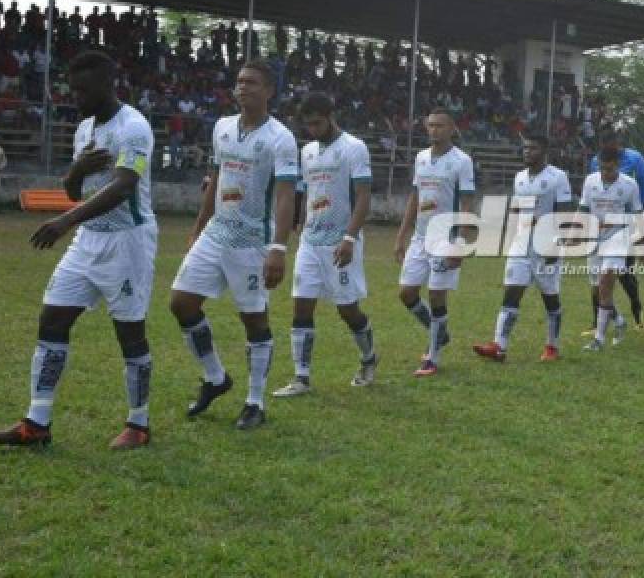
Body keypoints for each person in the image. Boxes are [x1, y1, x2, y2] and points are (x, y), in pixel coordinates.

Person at [0, 50, 157, 449]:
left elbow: (123, 185)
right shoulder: (84, 130)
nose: (75, 97)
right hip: (88, 240)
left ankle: (139, 424)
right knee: (52, 319)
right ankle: (37, 422)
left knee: (130, 333)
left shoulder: (134, 127)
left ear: (108, 85)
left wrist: (66, 220)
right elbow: (74, 190)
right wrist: (76, 171)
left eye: (83, 90)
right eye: (72, 89)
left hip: (128, 242)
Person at [169, 60, 300, 430]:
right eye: (240, 82)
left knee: (254, 319)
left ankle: (255, 401)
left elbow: (287, 197)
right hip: (216, 232)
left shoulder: (281, 138)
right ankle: (215, 378)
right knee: (181, 303)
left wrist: (278, 248)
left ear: (270, 90)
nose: (243, 88)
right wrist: (198, 226)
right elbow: (214, 179)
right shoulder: (222, 127)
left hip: (253, 242)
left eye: (253, 83)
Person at [273, 93, 377, 397]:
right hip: (310, 241)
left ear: (331, 115)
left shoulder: (354, 148)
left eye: (317, 123)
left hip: (341, 242)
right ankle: (301, 378)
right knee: (301, 304)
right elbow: (305, 191)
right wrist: (300, 220)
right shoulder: (307, 152)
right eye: (308, 125)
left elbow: (363, 197)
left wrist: (349, 238)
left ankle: (369, 359)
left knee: (347, 309)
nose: (313, 130)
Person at [472, 133, 573, 362]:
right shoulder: (519, 177)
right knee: (512, 291)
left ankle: (552, 346)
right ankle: (499, 346)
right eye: (526, 148)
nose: (528, 152)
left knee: (550, 297)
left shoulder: (558, 177)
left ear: (545, 151)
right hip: (521, 243)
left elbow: (565, 214)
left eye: (533, 148)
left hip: (546, 245)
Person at [394, 109, 476, 377]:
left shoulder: (462, 161)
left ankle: (432, 358)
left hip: (446, 238)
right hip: (420, 237)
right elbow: (414, 198)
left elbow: (466, 203)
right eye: (430, 125)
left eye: (440, 125)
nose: (433, 130)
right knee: (407, 293)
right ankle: (439, 333)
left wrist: (461, 243)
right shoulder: (421, 158)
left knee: (437, 296)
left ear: (452, 128)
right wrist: (401, 236)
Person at [585, 128, 644, 330]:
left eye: (611, 145)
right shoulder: (596, 162)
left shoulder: (635, 159)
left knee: (625, 276)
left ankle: (636, 310)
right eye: (603, 147)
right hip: (599, 230)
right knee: (598, 280)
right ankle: (597, 321)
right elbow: (592, 195)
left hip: (625, 229)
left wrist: (642, 234)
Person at [579, 148, 644, 352]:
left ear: (618, 165)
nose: (605, 172)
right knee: (599, 290)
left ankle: (598, 340)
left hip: (618, 239)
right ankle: (619, 320)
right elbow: (583, 209)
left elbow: (637, 214)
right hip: (594, 239)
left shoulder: (629, 185)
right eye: (601, 168)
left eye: (609, 168)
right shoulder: (590, 181)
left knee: (606, 284)